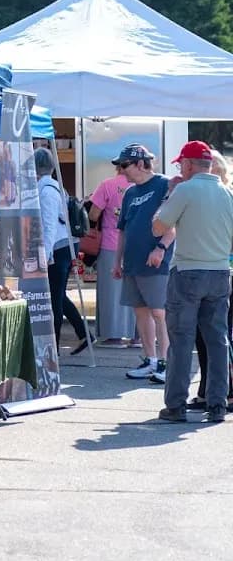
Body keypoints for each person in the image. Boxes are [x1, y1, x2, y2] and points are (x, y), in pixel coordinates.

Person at [151, 140, 233, 423]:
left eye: (180, 164)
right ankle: (218, 404)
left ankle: (175, 405)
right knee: (217, 340)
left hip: (187, 271)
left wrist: (170, 194)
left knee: (182, 340)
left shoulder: (184, 190)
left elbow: (158, 226)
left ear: (188, 164)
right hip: (220, 272)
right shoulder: (227, 193)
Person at [112, 144, 173, 384]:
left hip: (157, 262)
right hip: (133, 262)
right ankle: (151, 360)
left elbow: (174, 223)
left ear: (140, 163)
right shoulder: (130, 193)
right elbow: (123, 231)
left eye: (124, 165)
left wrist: (161, 248)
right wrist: (117, 261)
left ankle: (168, 362)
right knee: (140, 311)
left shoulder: (164, 184)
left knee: (160, 312)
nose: (121, 171)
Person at [190, 150, 233, 409]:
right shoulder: (204, 196)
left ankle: (224, 391)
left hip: (222, 273)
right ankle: (207, 390)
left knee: (220, 336)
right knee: (203, 337)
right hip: (208, 272)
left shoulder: (225, 197)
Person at [35, 148, 88, 349]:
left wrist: (45, 254)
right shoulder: (57, 187)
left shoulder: (47, 191)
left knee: (54, 299)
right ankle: (83, 332)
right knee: (58, 294)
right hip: (64, 246)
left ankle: (53, 347)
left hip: (56, 248)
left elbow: (48, 226)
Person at [88, 157, 136, 344]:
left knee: (111, 291)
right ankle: (137, 336)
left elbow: (93, 214)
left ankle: (114, 335)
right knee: (137, 290)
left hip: (111, 244)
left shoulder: (107, 185)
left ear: (117, 167)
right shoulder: (142, 185)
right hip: (135, 244)